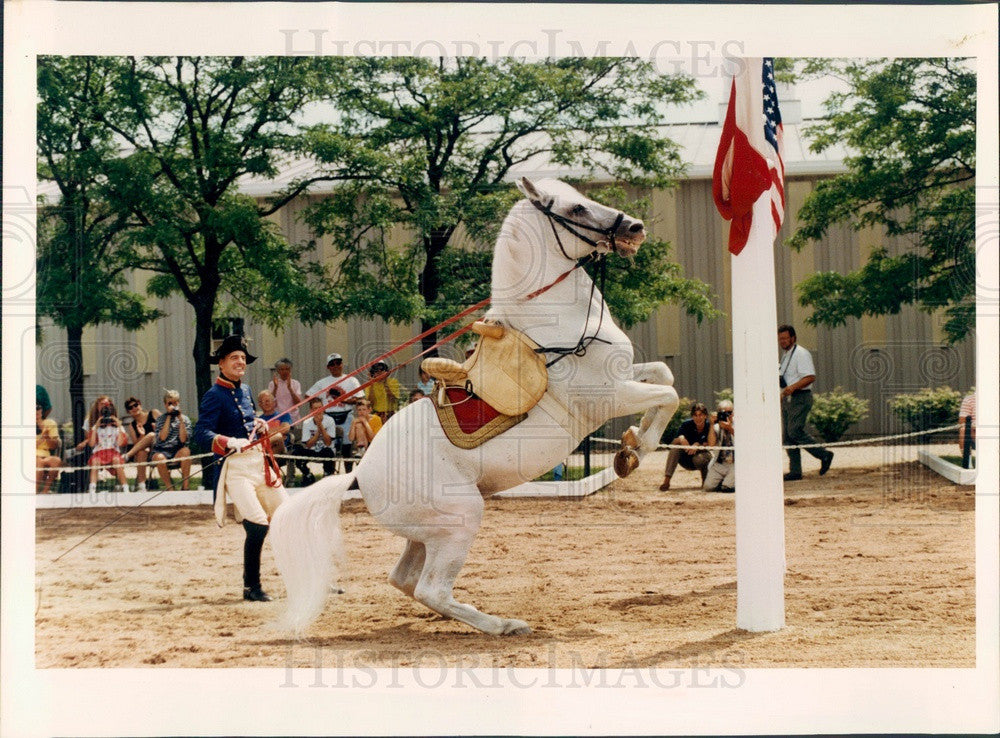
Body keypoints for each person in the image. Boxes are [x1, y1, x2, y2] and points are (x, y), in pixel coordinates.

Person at [193, 334, 288, 603]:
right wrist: (227, 441)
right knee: (257, 526)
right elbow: (201, 432)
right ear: (221, 363)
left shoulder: (245, 391)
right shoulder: (214, 394)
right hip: (235, 468)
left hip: (258, 461)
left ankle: (307, 577)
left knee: (286, 517)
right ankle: (251, 587)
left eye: (243, 359)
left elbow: (245, 419)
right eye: (234, 358)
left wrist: (259, 424)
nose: (240, 362)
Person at [778, 324, 834, 481]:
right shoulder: (786, 355)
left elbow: (810, 377)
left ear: (793, 338)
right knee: (788, 436)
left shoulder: (801, 354)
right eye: (780, 338)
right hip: (789, 398)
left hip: (800, 396)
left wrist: (792, 388)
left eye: (785, 338)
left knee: (795, 431)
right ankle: (795, 471)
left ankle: (824, 455)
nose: (782, 341)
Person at [306, 352, 361, 471]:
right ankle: (330, 473)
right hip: (329, 417)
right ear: (328, 367)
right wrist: (319, 405)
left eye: (338, 363)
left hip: (346, 416)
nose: (335, 366)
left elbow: (360, 398)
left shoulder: (352, 380)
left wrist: (343, 400)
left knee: (347, 447)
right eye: (332, 364)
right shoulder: (322, 383)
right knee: (330, 447)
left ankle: (348, 475)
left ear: (342, 364)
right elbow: (308, 396)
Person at [659, 402, 715, 491]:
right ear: (692, 416)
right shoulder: (686, 424)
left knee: (704, 457)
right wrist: (680, 439)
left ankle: (705, 482)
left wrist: (697, 445)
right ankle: (666, 481)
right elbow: (673, 443)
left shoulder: (709, 426)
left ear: (705, 416)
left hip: (700, 458)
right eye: (695, 415)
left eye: (700, 415)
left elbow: (711, 445)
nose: (698, 418)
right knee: (675, 449)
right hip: (685, 458)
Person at [85, 397, 130, 494]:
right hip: (99, 452)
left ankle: (125, 487)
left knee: (116, 461)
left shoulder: (117, 427)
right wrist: (96, 426)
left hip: (113, 452)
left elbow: (119, 443)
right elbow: (92, 443)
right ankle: (92, 488)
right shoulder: (97, 427)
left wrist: (118, 425)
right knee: (95, 462)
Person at [150, 390, 193, 491]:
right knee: (159, 457)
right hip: (162, 450)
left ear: (178, 403)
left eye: (175, 403)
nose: (173, 406)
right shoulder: (161, 419)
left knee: (186, 451)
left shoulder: (185, 419)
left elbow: (183, 440)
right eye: (170, 403)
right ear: (165, 405)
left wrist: (180, 419)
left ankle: (185, 486)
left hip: (177, 450)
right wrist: (169, 417)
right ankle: (170, 488)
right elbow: (163, 438)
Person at [268, 358, 303, 478]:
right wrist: (276, 388)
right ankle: (275, 474)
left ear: (291, 370)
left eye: (287, 369)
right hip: (278, 423)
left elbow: (299, 402)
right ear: (277, 371)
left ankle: (291, 476)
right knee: (278, 447)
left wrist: (289, 388)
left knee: (292, 447)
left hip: (293, 420)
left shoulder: (295, 383)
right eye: (281, 369)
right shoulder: (273, 384)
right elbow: (269, 404)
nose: (284, 372)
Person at [292, 397, 338, 484]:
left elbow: (328, 443)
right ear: (311, 410)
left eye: (320, 408)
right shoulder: (307, 422)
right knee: (296, 452)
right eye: (315, 408)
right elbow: (308, 445)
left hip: (326, 450)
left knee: (328, 451)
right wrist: (318, 431)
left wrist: (320, 425)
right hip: (312, 450)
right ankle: (307, 474)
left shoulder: (330, 420)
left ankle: (327, 474)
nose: (318, 411)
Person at [122, 397, 160, 493]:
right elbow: (137, 445)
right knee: (142, 451)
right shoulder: (132, 425)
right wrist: (142, 434)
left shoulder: (153, 413)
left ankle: (128, 455)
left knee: (151, 435)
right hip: (147, 452)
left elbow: (165, 428)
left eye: (136, 405)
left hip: (160, 446)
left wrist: (156, 429)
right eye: (131, 408)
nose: (134, 408)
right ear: (128, 412)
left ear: (140, 405)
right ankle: (142, 486)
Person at [257, 389, 292, 480]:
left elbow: (285, 429)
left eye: (268, 401)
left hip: (281, 450)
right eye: (262, 402)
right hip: (265, 449)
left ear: (274, 402)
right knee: (277, 436)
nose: (265, 403)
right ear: (260, 405)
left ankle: (270, 470)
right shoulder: (258, 420)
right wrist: (277, 430)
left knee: (278, 437)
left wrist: (265, 433)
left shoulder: (284, 415)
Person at [703, 401, 735, 493]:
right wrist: (712, 424)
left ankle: (727, 482)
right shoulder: (716, 427)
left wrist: (730, 429)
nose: (726, 416)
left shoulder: (740, 424)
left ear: (733, 413)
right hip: (720, 463)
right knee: (708, 488)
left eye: (729, 413)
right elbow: (711, 445)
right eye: (723, 413)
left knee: (727, 487)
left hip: (735, 463)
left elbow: (744, 442)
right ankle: (722, 481)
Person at [36, 403, 61, 493]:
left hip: (45, 454)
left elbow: (54, 446)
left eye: (38, 408)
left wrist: (47, 437)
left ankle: (45, 491)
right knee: (40, 463)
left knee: (56, 461)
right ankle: (34, 492)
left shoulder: (50, 423)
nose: (36, 410)